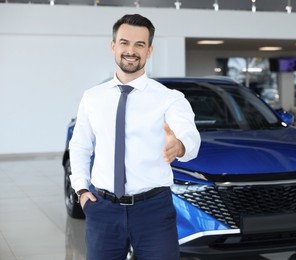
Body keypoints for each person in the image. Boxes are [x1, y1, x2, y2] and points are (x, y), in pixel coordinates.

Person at [69, 14, 201, 260]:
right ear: (113, 46)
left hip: (153, 210)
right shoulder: (92, 97)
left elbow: (190, 137)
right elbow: (80, 145)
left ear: (149, 50)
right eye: (124, 42)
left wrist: (180, 147)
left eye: (139, 44)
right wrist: (81, 190)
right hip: (103, 208)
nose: (131, 50)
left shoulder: (169, 98)